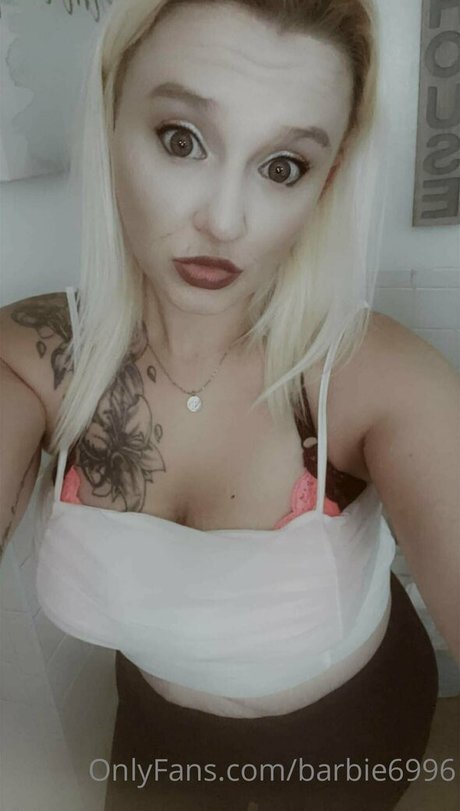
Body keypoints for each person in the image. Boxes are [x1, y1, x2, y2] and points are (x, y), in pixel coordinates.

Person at [1, 0, 458, 808]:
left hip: (351, 733)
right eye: (182, 140)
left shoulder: (375, 378)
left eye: (283, 166)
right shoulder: (33, 359)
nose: (224, 220)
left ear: (326, 179)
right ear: (110, 116)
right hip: (156, 729)